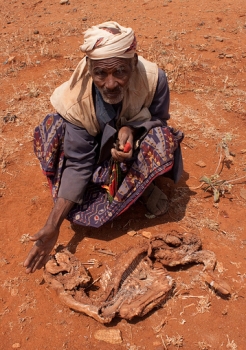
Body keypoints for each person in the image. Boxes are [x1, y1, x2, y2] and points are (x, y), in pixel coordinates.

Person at [24, 21, 183, 274]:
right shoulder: (76, 99)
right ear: (89, 69)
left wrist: (132, 130)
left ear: (134, 63)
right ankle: (107, 184)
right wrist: (54, 223)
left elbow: (159, 119)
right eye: (101, 74)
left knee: (162, 139)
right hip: (93, 152)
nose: (110, 83)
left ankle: (143, 187)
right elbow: (79, 162)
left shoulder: (154, 79)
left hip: (131, 148)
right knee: (53, 125)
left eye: (120, 71)